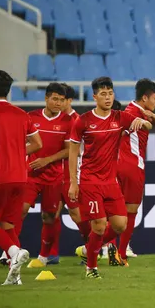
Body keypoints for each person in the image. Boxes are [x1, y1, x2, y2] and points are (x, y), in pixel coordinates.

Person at [68, 77, 152, 279]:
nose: (107, 97)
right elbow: (72, 151)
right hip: (90, 181)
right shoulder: (84, 120)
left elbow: (148, 127)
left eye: (110, 93)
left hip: (111, 182)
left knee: (120, 225)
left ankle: (89, 248)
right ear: (95, 96)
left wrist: (142, 122)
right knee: (98, 225)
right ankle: (92, 268)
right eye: (103, 94)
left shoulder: (120, 117)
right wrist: (73, 182)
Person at [0, 70, 42, 285]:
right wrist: (18, 153)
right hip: (20, 177)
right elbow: (38, 144)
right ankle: (15, 277)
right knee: (6, 225)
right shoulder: (23, 115)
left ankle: (14, 252)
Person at [22, 83, 73, 266]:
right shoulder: (31, 117)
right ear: (46, 98)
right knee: (20, 210)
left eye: (61, 100)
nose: (58, 103)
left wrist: (47, 160)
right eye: (54, 99)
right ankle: (10, 252)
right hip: (31, 174)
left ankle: (44, 257)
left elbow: (69, 151)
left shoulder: (68, 121)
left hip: (53, 176)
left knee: (49, 216)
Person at [114, 79, 155, 265]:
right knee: (130, 211)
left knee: (118, 211)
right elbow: (119, 132)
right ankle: (121, 253)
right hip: (131, 165)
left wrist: (152, 116)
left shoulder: (136, 110)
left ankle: (107, 248)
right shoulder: (131, 115)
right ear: (145, 97)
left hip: (126, 164)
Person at [59, 83, 91, 246]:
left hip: (74, 172)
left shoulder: (77, 120)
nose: (58, 103)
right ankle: (49, 254)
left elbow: (76, 150)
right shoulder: (56, 118)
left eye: (62, 99)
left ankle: (94, 247)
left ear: (69, 100)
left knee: (78, 214)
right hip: (55, 174)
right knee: (50, 215)